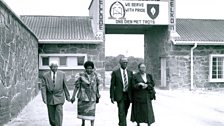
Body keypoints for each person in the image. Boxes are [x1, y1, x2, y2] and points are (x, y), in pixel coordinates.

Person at [71, 61, 101, 126]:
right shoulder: (80, 75)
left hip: (92, 97)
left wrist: (98, 94)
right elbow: (76, 86)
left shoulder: (96, 75)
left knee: (92, 112)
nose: (89, 70)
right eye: (88, 68)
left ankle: (92, 124)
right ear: (85, 68)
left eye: (91, 68)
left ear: (93, 68)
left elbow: (98, 85)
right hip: (83, 97)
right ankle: (83, 123)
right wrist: (73, 96)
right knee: (83, 111)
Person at [40, 61, 70, 126]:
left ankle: (59, 125)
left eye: (56, 66)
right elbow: (43, 87)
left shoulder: (62, 74)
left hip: (59, 97)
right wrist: (44, 98)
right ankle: (53, 124)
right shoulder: (45, 75)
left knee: (59, 113)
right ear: (50, 67)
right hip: (50, 97)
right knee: (51, 114)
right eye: (53, 67)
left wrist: (68, 96)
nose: (55, 68)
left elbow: (65, 86)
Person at [110, 57, 133, 126]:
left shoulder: (130, 72)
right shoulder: (115, 73)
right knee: (121, 111)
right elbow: (112, 85)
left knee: (125, 111)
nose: (125, 63)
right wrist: (112, 96)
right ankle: (123, 124)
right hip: (120, 95)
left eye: (126, 62)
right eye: (123, 62)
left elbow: (132, 85)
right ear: (120, 63)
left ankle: (121, 123)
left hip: (128, 95)